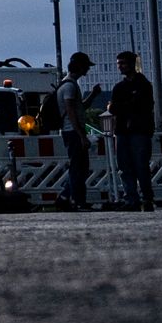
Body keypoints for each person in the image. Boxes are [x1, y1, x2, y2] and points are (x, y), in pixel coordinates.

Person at [107, 51, 156, 211]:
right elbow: (133, 106)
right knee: (127, 166)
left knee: (139, 166)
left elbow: (117, 108)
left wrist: (117, 107)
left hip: (137, 130)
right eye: (119, 63)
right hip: (125, 131)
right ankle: (136, 199)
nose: (120, 66)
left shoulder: (142, 85)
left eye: (123, 63)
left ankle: (142, 198)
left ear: (132, 64)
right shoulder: (125, 87)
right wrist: (127, 105)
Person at [55, 53, 93, 211]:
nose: (88, 69)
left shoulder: (67, 84)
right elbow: (71, 111)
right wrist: (81, 135)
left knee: (80, 167)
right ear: (80, 66)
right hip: (73, 131)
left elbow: (79, 107)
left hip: (71, 131)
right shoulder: (69, 86)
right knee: (78, 168)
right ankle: (74, 200)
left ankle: (68, 197)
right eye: (86, 66)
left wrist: (94, 94)